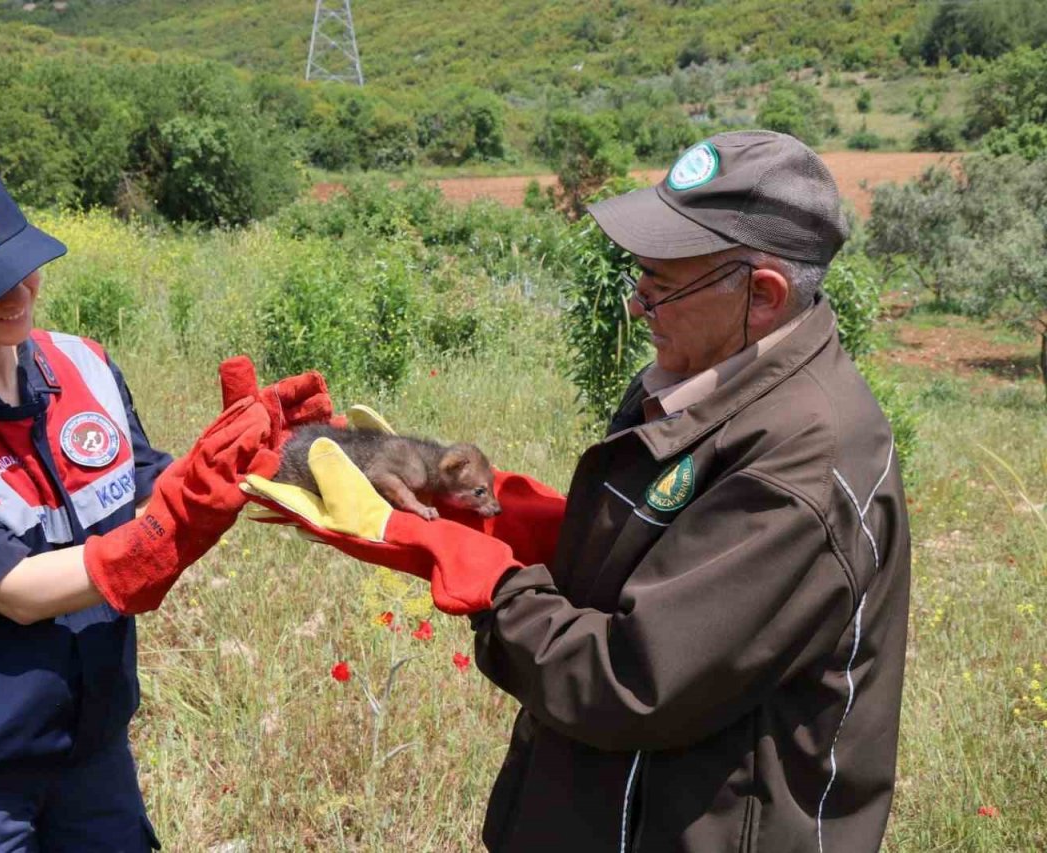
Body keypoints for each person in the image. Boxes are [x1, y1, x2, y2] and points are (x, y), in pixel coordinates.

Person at [245, 131, 911, 851]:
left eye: (662, 282)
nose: (635, 303)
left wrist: (495, 587)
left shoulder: (805, 465)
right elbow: (678, 565)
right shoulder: (703, 378)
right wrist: (541, 531)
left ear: (763, 294)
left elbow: (631, 680)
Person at [0, 157, 329, 852]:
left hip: (90, 751)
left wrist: (237, 457)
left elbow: (144, 487)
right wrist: (167, 530)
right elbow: (17, 592)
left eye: (20, 264)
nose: (15, 293)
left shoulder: (83, 365)